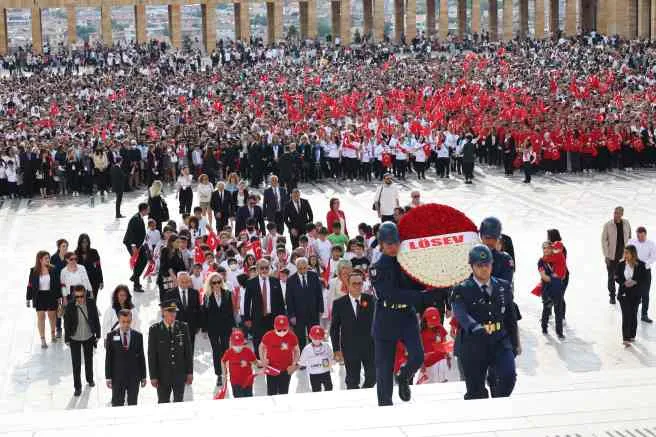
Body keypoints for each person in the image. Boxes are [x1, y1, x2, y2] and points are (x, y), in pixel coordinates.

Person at [451, 245, 520, 400]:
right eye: (479, 265)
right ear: (472, 266)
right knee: (476, 393)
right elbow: (460, 313)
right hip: (473, 344)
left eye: (487, 264)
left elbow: (510, 317)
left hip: (499, 340)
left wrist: (515, 344)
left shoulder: (503, 286)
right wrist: (473, 326)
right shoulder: (461, 289)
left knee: (508, 377)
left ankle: (497, 396)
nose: (484, 269)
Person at [370, 222, 424, 406]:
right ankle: (385, 406)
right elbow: (391, 294)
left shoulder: (408, 263)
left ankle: (403, 376)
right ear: (382, 244)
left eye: (396, 243)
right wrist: (421, 296)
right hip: (386, 317)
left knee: (417, 357)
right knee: (384, 370)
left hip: (406, 316)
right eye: (389, 243)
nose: (393, 247)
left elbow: (419, 284)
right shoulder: (376, 268)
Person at [330, 271, 376, 390]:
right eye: (354, 283)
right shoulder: (339, 303)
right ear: (348, 285)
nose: (357, 286)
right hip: (350, 347)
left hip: (369, 346)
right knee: (352, 380)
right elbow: (334, 328)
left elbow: (379, 323)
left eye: (360, 283)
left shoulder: (371, 300)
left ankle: (365, 395)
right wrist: (336, 349)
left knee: (373, 377)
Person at [148, 301, 194, 403]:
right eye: (170, 311)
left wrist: (189, 372)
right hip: (162, 376)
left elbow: (188, 352)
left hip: (179, 374)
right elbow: (152, 355)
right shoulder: (155, 330)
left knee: (179, 403)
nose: (173, 314)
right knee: (163, 402)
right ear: (163, 312)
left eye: (174, 311)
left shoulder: (183, 327)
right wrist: (153, 376)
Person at [104, 309, 147, 406]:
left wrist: (143, 376)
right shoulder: (111, 336)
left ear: (131, 320)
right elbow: (109, 358)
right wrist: (108, 377)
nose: (126, 324)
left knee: (133, 403)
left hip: (134, 377)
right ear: (119, 320)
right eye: (123, 321)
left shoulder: (138, 336)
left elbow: (141, 357)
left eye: (128, 321)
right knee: (117, 404)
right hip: (117, 377)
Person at [64, 285, 101, 397]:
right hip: (74, 338)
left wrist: (98, 334)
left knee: (89, 360)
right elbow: (66, 323)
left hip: (88, 336)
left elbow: (95, 318)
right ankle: (77, 387)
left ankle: (90, 379)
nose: (79, 298)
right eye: (77, 296)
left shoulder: (91, 303)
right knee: (76, 364)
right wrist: (67, 339)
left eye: (81, 296)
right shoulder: (70, 306)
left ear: (85, 294)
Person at [243, 259, 286, 355]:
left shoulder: (275, 281)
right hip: (258, 317)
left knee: (274, 340)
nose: (264, 270)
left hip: (273, 317)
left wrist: (282, 317)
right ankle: (259, 359)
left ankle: (273, 359)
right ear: (257, 269)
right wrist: (247, 318)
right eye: (261, 268)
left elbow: (280, 301)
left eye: (266, 268)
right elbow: (246, 302)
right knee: (258, 340)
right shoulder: (251, 283)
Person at [203, 272, 236, 386]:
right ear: (210, 284)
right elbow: (205, 313)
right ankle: (219, 374)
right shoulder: (207, 296)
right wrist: (204, 329)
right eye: (214, 282)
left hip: (225, 327)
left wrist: (233, 326)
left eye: (219, 282)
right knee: (216, 351)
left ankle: (226, 372)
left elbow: (231, 311)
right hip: (213, 328)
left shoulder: (227, 293)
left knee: (225, 350)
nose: (217, 284)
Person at [285, 257, 324, 350]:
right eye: (300, 268)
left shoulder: (314, 276)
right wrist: (291, 315)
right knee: (300, 338)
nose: (302, 270)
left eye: (304, 268)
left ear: (307, 266)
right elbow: (289, 299)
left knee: (315, 336)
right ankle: (302, 357)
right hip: (298, 315)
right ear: (296, 267)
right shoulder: (291, 280)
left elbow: (319, 294)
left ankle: (315, 355)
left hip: (313, 312)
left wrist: (321, 309)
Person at [26, 251, 62, 348]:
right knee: (41, 317)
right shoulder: (34, 270)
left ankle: (53, 334)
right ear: (40, 259)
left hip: (51, 295)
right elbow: (30, 285)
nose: (48, 260)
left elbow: (58, 284)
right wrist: (28, 298)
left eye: (48, 258)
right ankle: (43, 339)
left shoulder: (53, 269)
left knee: (52, 316)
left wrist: (59, 298)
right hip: (39, 296)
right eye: (46, 258)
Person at [615, 245, 648, 347]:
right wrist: (624, 283)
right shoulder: (620, 264)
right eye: (624, 253)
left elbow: (645, 279)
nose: (625, 255)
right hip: (623, 294)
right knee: (626, 315)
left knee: (633, 314)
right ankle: (626, 338)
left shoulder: (641, 265)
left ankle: (632, 335)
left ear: (633, 254)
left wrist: (635, 282)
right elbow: (616, 277)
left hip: (636, 294)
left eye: (627, 253)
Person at [259, 315, 300, 395]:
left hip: (285, 370)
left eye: (284, 330)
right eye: (279, 330)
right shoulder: (268, 335)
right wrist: (263, 360)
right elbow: (261, 347)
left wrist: (294, 364)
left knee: (284, 393)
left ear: (288, 327)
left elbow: (297, 351)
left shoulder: (292, 336)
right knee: (271, 393)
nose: (282, 332)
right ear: (274, 326)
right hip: (271, 369)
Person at [602, 207, 632, 304]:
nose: (616, 215)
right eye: (615, 213)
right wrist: (606, 255)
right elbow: (604, 240)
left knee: (623, 277)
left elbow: (630, 238)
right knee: (611, 277)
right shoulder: (608, 225)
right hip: (612, 257)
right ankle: (612, 296)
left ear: (622, 214)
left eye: (618, 213)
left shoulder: (626, 223)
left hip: (624, 257)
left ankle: (622, 294)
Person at [538, 242, 566, 339]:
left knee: (558, 311)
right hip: (546, 289)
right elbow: (544, 277)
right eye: (544, 248)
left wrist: (558, 278)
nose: (546, 250)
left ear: (551, 249)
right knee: (547, 308)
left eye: (548, 248)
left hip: (557, 288)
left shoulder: (557, 257)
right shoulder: (541, 261)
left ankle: (559, 332)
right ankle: (544, 327)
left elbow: (563, 274)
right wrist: (555, 278)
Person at [628, 226, 656, 323]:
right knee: (632, 291)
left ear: (645, 235)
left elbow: (653, 257)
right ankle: (632, 311)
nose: (640, 238)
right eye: (638, 236)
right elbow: (627, 253)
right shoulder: (632, 242)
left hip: (645, 271)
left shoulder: (651, 244)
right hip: (633, 269)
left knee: (645, 293)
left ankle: (644, 314)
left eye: (642, 236)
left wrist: (645, 264)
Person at [170, 272, 201, 352]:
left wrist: (198, 325)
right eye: (182, 282)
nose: (184, 284)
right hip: (176, 328)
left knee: (190, 350)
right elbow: (167, 312)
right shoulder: (170, 294)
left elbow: (198, 310)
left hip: (190, 327)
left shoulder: (194, 293)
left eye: (186, 282)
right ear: (177, 281)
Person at [220, 330, 257, 398]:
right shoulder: (229, 352)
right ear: (231, 343)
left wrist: (248, 362)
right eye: (235, 345)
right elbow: (223, 361)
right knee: (238, 400)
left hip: (248, 381)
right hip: (235, 382)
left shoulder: (248, 351)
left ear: (243, 342)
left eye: (240, 344)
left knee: (248, 399)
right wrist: (224, 373)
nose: (238, 347)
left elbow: (256, 363)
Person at [299, 325, 334, 392]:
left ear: (323, 337)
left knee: (329, 388)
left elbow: (331, 357)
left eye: (319, 338)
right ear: (310, 337)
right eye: (315, 338)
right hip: (314, 374)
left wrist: (332, 361)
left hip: (325, 372)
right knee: (316, 391)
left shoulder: (326, 346)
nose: (317, 341)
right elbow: (302, 362)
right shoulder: (307, 349)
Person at [123, 202, 149, 292]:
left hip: (138, 245)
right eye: (147, 209)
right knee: (138, 262)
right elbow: (131, 233)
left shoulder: (139, 217)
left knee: (143, 260)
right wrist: (133, 246)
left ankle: (135, 277)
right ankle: (136, 284)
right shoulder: (135, 219)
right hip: (132, 244)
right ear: (144, 210)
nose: (148, 211)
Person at [74, 233, 103, 300]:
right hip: (81, 281)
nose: (85, 244)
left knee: (93, 301)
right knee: (82, 300)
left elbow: (98, 267)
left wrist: (101, 280)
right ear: (80, 243)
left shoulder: (94, 252)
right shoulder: (76, 253)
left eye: (86, 242)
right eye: (83, 242)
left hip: (94, 281)